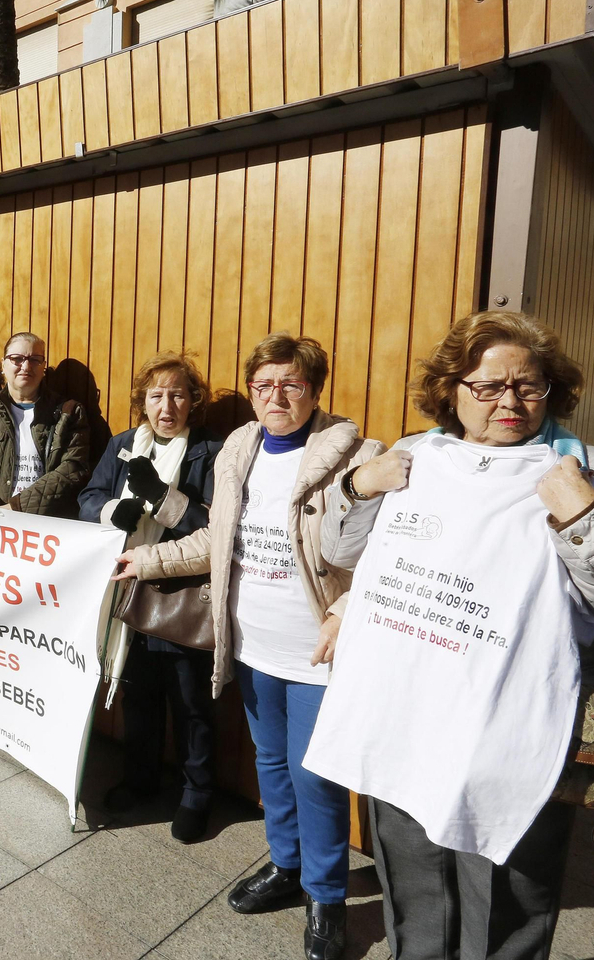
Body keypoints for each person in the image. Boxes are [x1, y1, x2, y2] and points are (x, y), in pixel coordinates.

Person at [314, 311, 594, 960]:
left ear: (552, 391)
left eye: (529, 386)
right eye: (487, 387)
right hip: (404, 726)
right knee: (417, 900)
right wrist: (356, 488)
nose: (509, 401)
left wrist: (590, 521)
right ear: (451, 391)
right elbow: (344, 549)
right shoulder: (413, 459)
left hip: (512, 741)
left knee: (505, 916)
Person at [111, 333, 384, 960]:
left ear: (314, 390)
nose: (276, 396)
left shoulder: (356, 457)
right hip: (252, 645)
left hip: (316, 651)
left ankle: (326, 897)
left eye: (290, 383)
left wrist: (344, 610)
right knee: (270, 764)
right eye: (264, 385)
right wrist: (146, 559)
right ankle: (287, 868)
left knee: (313, 776)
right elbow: (218, 539)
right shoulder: (242, 448)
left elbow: (377, 556)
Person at [81, 351, 222, 842]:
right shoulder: (123, 445)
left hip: (183, 591)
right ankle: (139, 778)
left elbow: (215, 528)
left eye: (178, 394)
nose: (167, 406)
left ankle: (196, 794)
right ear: (142, 401)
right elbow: (89, 498)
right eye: (157, 395)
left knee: (190, 702)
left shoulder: (210, 451)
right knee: (138, 694)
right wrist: (111, 511)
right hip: (128, 590)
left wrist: (163, 499)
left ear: (193, 401)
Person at [0, 331, 91, 517]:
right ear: (3, 365)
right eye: (17, 359)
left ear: (43, 367)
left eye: (34, 359)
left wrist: (16, 507)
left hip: (45, 526)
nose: (25, 366)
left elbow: (72, 469)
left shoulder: (69, 412)